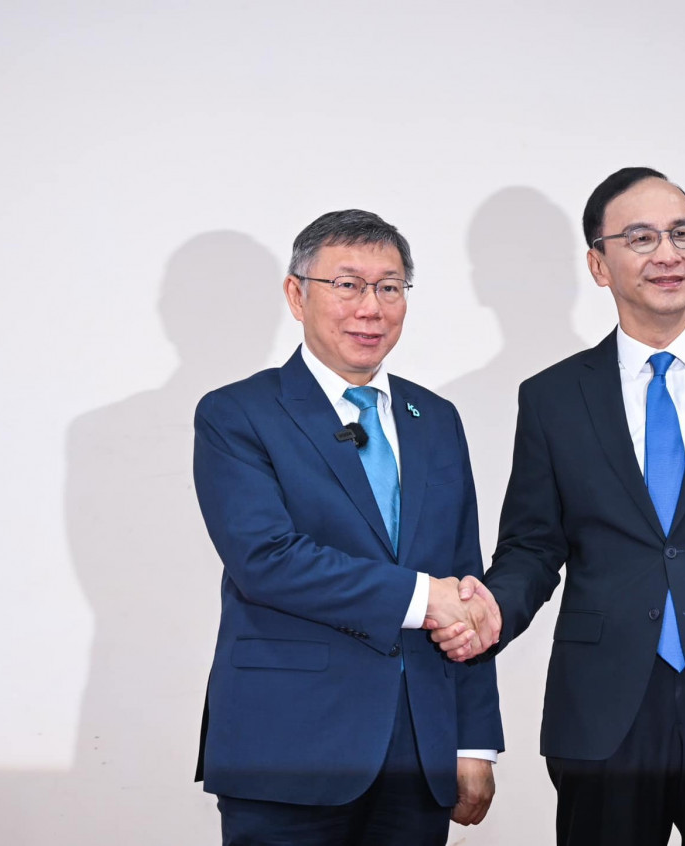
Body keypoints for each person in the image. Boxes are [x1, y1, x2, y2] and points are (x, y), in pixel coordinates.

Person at [432, 168, 685, 845]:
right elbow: (534, 546)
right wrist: (490, 611)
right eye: (641, 238)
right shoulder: (553, 398)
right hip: (604, 711)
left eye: (683, 234)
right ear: (599, 264)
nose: (668, 254)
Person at [193, 209, 504, 845]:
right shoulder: (237, 413)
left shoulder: (435, 418)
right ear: (296, 294)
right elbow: (267, 560)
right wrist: (423, 597)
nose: (370, 308)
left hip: (419, 747)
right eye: (347, 285)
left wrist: (473, 739)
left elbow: (466, 582)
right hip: (288, 745)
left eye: (389, 287)